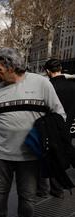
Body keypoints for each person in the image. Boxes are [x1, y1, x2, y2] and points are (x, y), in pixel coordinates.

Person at [0, 48, 66, 217]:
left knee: (27, 196)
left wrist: (46, 136)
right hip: (1, 153)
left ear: (12, 67)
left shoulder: (41, 83)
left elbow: (59, 114)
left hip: (30, 156)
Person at [35, 58, 75, 199]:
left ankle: (42, 188)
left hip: (49, 126)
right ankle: (58, 189)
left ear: (47, 71)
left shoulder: (47, 86)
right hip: (68, 127)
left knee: (45, 155)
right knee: (60, 156)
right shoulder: (72, 86)